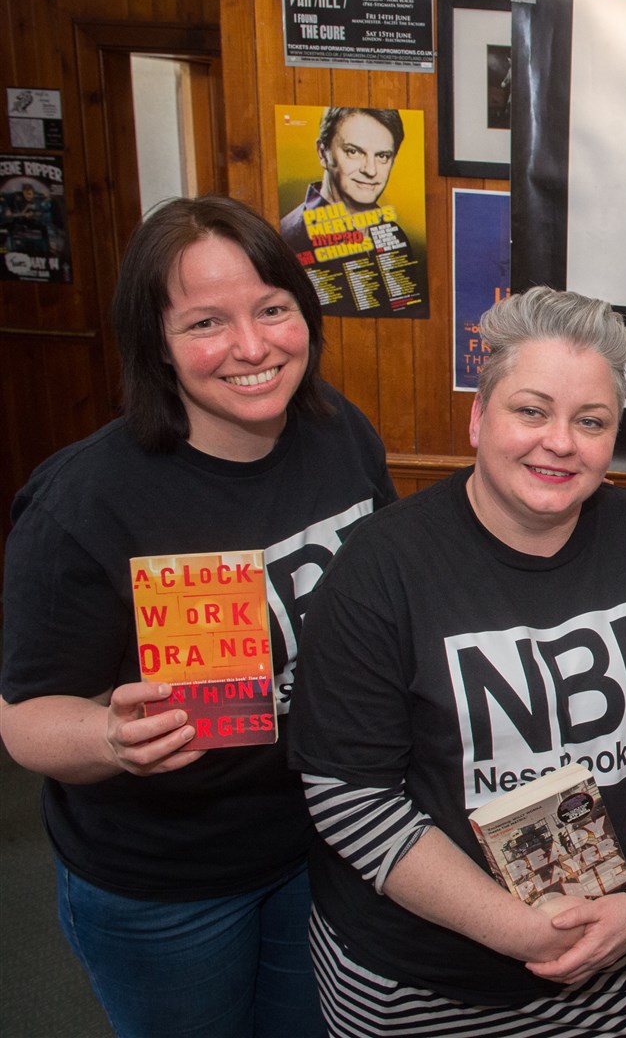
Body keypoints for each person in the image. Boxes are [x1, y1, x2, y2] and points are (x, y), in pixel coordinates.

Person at [0, 194, 396, 1038]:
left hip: (320, 840)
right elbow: (26, 720)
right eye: (207, 322)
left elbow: (389, 593)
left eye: (273, 310)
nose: (252, 347)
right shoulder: (85, 502)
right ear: (158, 344)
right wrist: (110, 737)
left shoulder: (342, 435)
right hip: (165, 881)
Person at [288, 286, 626, 1037]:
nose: (560, 442)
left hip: (619, 964)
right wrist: (522, 933)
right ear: (479, 417)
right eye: (531, 410)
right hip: (425, 984)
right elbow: (349, 795)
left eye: (591, 421)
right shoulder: (383, 565)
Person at [279, 107, 418, 318]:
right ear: (322, 153)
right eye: (353, 152)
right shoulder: (290, 237)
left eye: (382, 156)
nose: (370, 171)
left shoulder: (392, 233)